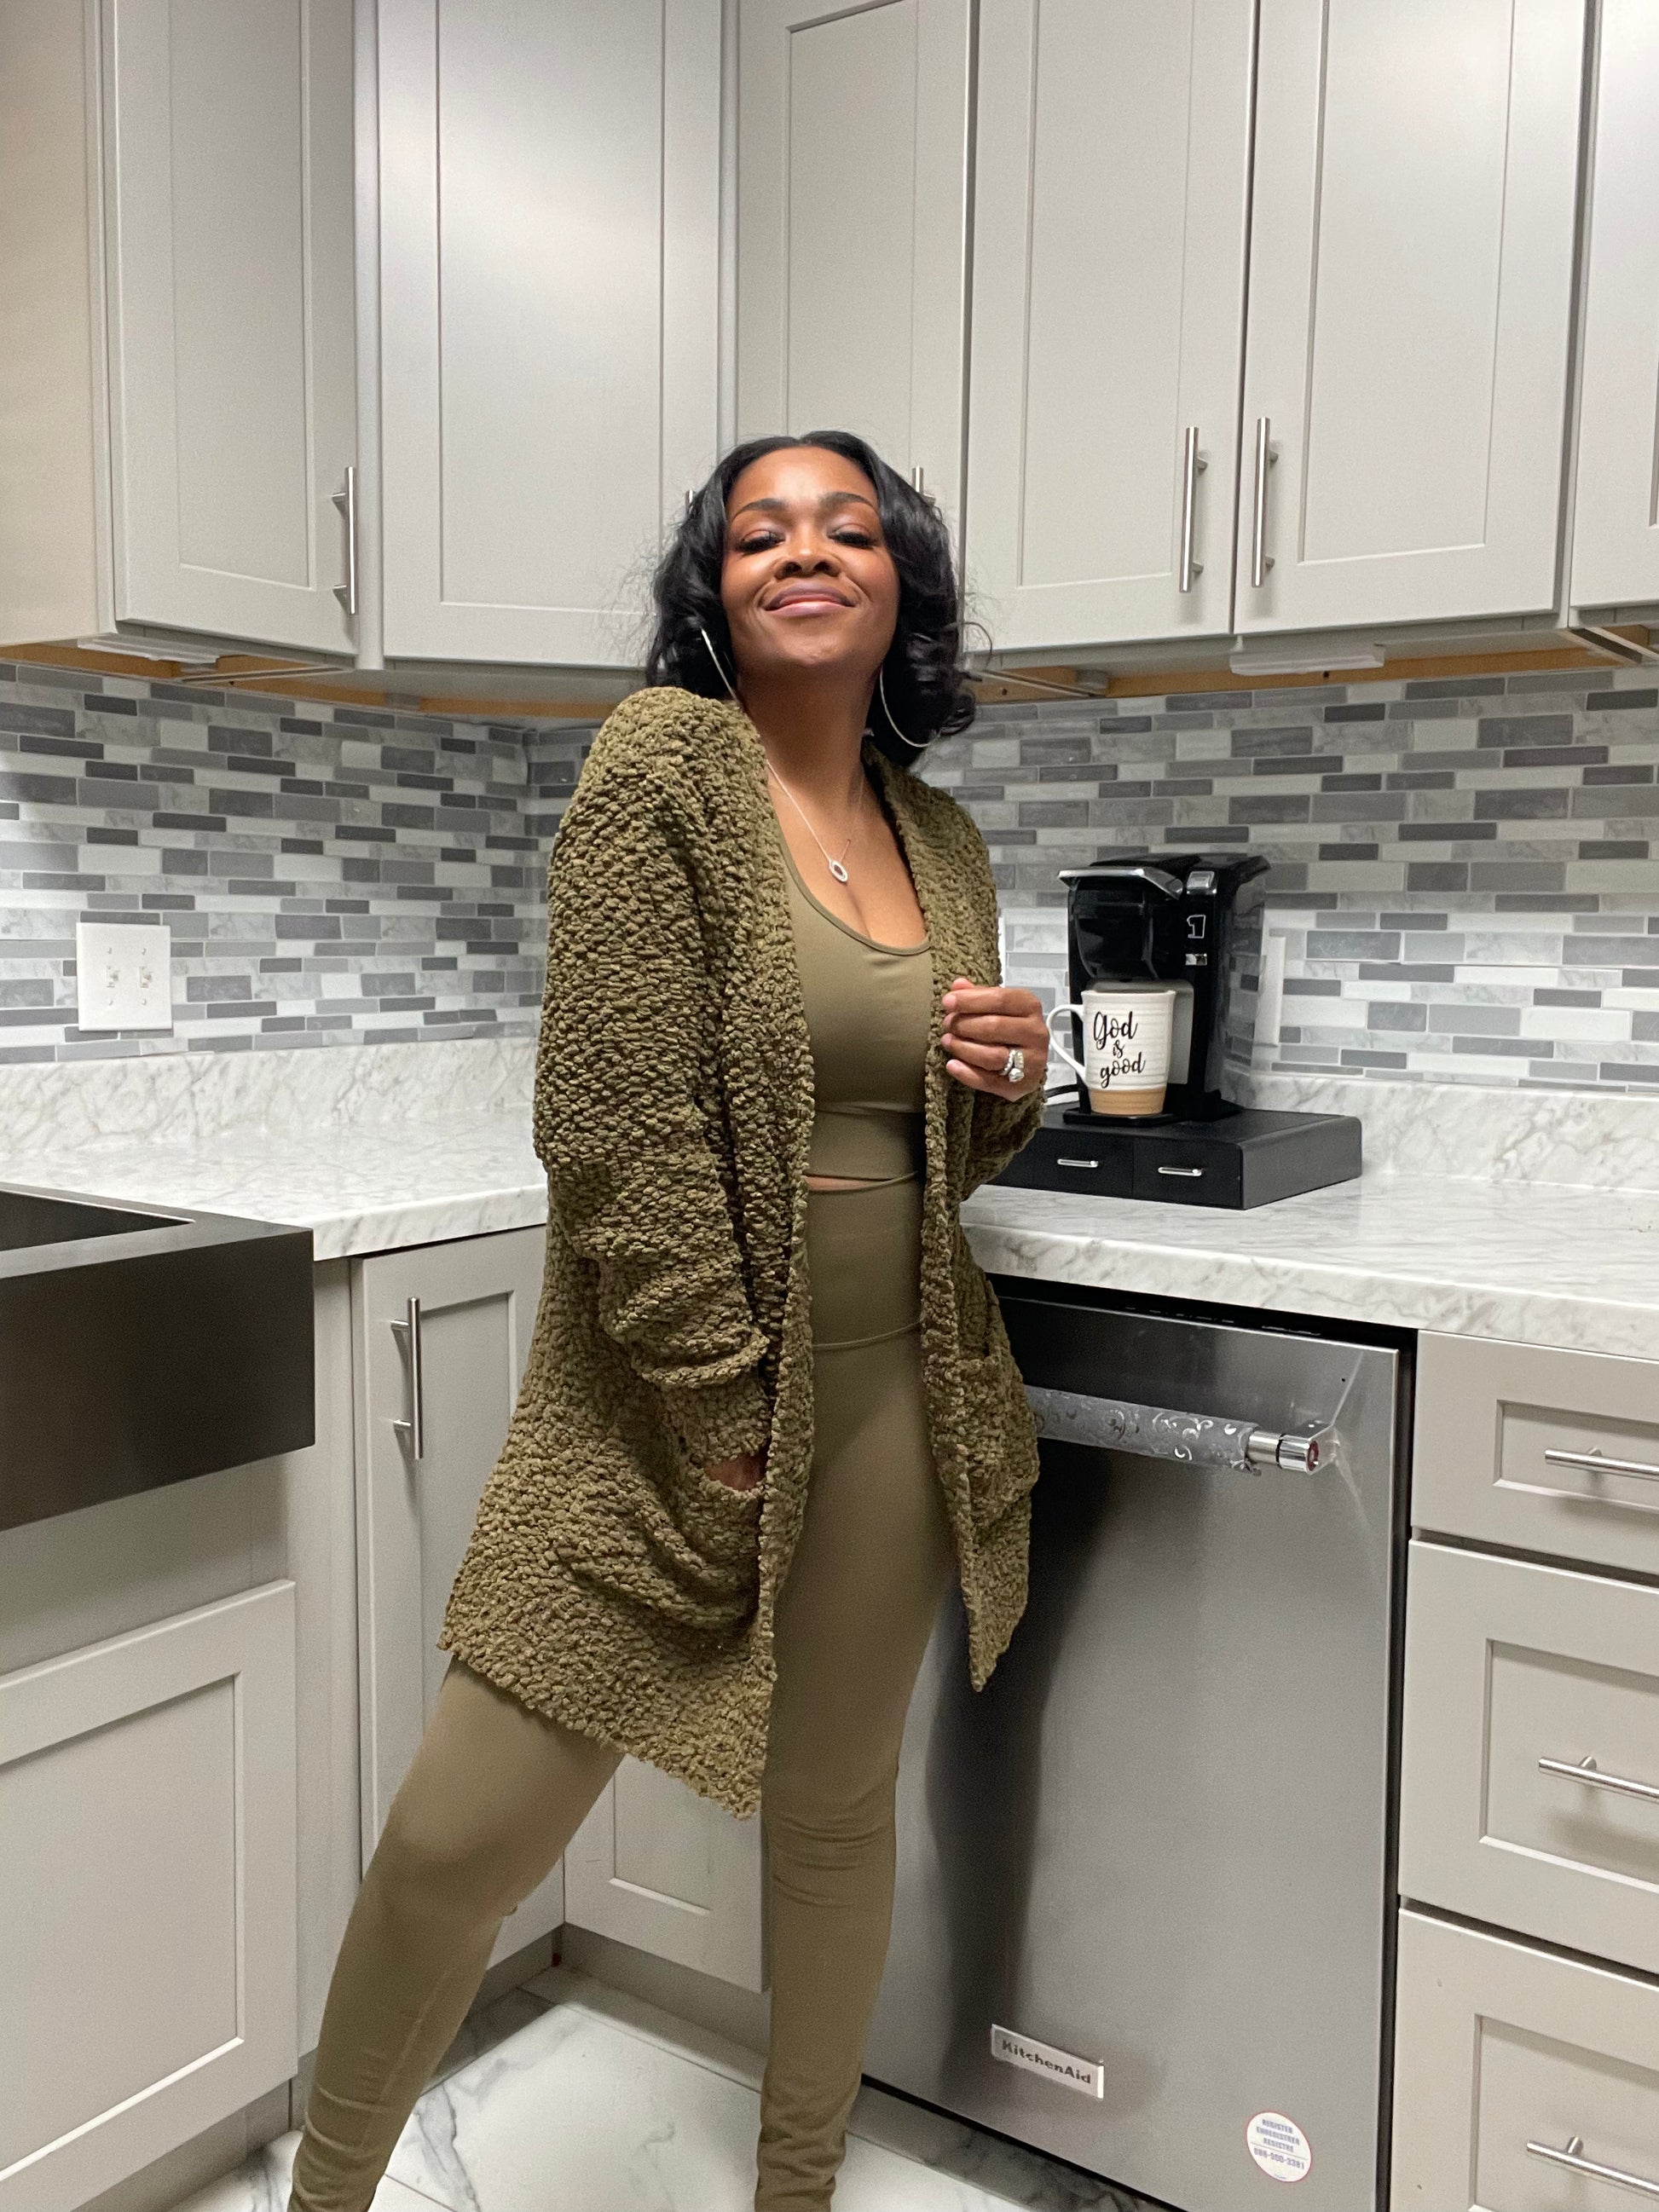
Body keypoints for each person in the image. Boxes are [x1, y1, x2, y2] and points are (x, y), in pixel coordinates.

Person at [287, 431, 1050, 2212]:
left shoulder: (940, 839)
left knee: (835, 1817)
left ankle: (796, 2191)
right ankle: (325, 2196)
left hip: (897, 1401)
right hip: (662, 1413)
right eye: (760, 533)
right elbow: (613, 1113)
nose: (805, 552)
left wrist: (1005, 1081)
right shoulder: (663, 769)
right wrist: (717, 1401)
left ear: (902, 589)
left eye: (846, 528)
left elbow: (939, 1158)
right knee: (453, 1841)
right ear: (714, 591)